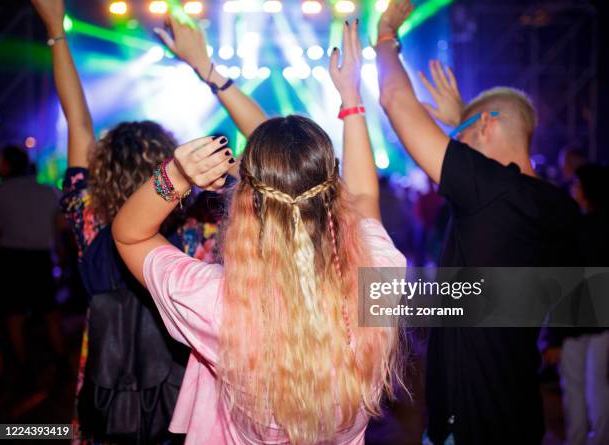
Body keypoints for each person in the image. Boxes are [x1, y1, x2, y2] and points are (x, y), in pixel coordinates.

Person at [112, 21, 406, 444]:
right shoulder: (377, 277)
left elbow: (130, 235)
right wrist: (352, 99)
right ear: (331, 195)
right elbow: (362, 194)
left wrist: (175, 175)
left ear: (246, 203)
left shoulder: (218, 304)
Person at [30, 0, 265, 442]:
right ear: (168, 161)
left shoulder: (89, 218)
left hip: (107, 393)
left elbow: (78, 124)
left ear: (105, 168)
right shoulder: (202, 223)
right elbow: (271, 152)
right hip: (189, 400)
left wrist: (55, 31)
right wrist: (209, 71)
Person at [376, 1, 580, 444]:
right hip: (518, 413)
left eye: (460, 138)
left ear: (486, 126)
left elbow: (394, 100)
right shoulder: (557, 206)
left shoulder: (492, 191)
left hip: (470, 422)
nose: (453, 147)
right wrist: (465, 118)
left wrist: (386, 32)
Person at [541, 164, 609, 445]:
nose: (573, 189)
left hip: (573, 325)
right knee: (598, 385)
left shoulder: (573, 231)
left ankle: (579, 439)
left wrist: (553, 337)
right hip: (602, 321)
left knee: (577, 388)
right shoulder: (599, 229)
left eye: (577, 185)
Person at [0, 144, 69, 386]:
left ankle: (24, 368)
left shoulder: (0, 193)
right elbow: (61, 227)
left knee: (14, 315)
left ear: (7, 164)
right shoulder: (47, 191)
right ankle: (62, 366)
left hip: (11, 259)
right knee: (50, 313)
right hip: (41, 259)